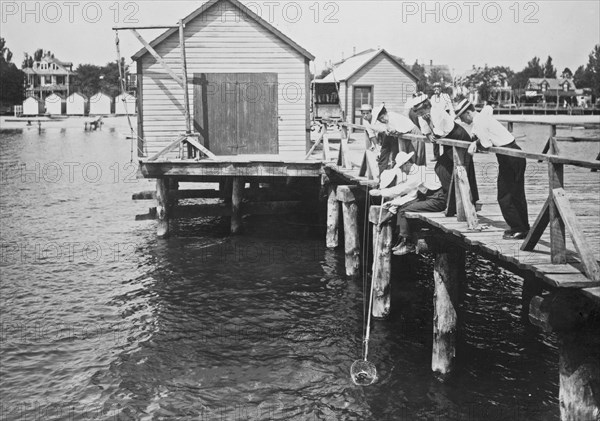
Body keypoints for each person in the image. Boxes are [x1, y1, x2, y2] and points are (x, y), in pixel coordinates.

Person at [455, 99, 530, 239]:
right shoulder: (483, 115)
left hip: (509, 156)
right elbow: (488, 109)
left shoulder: (479, 122)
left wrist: (475, 145)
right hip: (514, 153)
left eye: (461, 116)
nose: (462, 120)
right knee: (516, 194)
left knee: (505, 196)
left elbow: (486, 145)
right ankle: (522, 228)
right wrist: (476, 141)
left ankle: (519, 228)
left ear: (469, 113)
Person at [371, 151, 446, 255]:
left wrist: (381, 192)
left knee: (405, 210)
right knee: (403, 207)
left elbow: (403, 189)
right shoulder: (416, 172)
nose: (402, 170)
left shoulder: (418, 173)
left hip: (437, 200)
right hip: (431, 198)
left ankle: (408, 244)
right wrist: (394, 202)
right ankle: (403, 239)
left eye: (402, 168)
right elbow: (412, 195)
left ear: (407, 164)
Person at [410, 93, 479, 207]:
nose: (420, 115)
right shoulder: (423, 116)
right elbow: (427, 131)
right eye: (418, 113)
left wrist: (429, 123)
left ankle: (467, 201)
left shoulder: (437, 112)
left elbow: (438, 133)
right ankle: (453, 199)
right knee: (442, 169)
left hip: (458, 137)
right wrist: (428, 135)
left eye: (421, 112)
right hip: (448, 141)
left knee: (462, 169)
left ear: (427, 107)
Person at [371, 104, 421, 175]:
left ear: (385, 113)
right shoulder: (386, 121)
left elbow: (401, 128)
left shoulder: (392, 116)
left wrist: (395, 131)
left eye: (382, 117)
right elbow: (388, 129)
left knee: (416, 156)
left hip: (413, 133)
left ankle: (418, 175)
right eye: (380, 120)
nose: (382, 120)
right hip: (404, 137)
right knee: (405, 156)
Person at [429, 82, 455, 162]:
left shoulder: (445, 96)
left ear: (441, 88)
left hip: (444, 118)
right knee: (435, 136)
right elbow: (431, 109)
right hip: (436, 119)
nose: (436, 89)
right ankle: (436, 155)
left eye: (438, 87)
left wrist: (452, 117)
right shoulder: (433, 97)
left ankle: (446, 156)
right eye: (435, 88)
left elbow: (451, 107)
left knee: (445, 136)